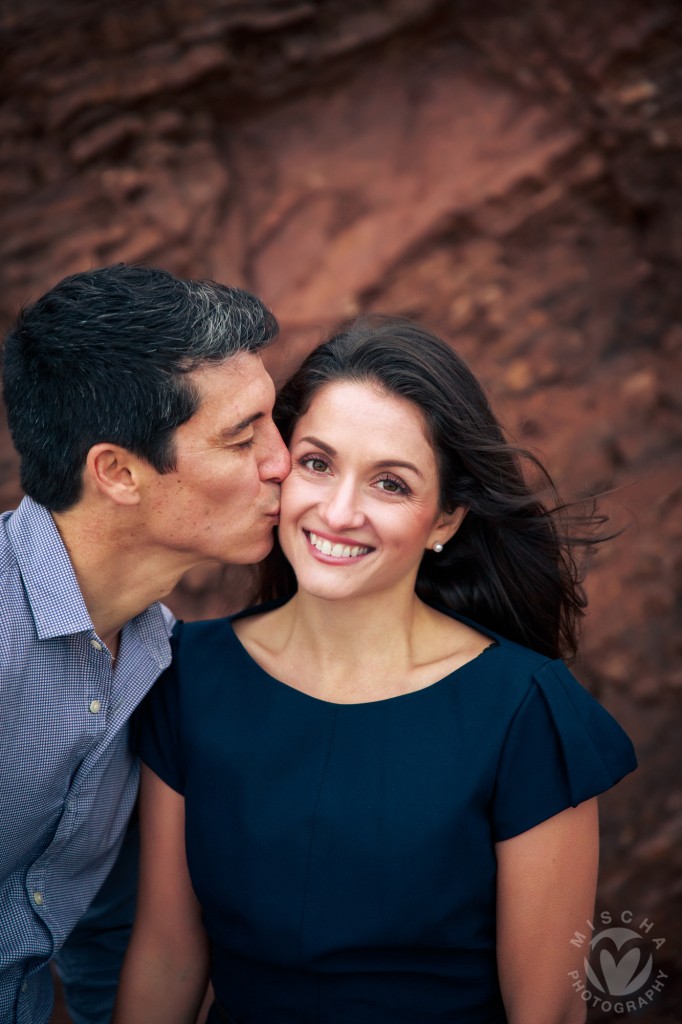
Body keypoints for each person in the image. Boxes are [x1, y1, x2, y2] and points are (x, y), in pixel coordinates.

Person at [115, 318, 637, 1024]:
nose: (338, 511)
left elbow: (549, 1012)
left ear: (446, 519)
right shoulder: (188, 675)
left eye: (390, 483)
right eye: (317, 464)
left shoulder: (525, 711)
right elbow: (167, 956)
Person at [0, 263, 290, 1024]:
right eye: (242, 438)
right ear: (119, 473)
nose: (282, 462)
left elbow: (102, 927)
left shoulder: (158, 661)